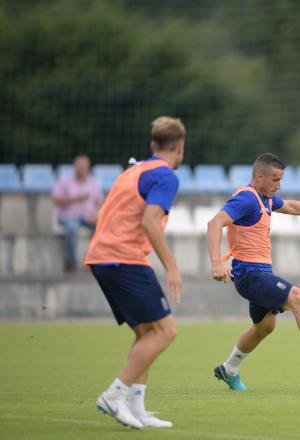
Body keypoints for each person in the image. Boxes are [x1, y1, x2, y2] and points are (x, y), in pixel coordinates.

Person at [206, 153, 300, 391]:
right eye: (275, 179)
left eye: (281, 180)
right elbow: (214, 223)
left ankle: (228, 369)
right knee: (298, 297)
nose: (279, 185)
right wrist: (216, 262)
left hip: (259, 272)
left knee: (265, 327)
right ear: (259, 176)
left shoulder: (265, 198)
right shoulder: (247, 198)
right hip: (249, 273)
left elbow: (291, 205)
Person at [85, 116, 186, 429]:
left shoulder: (134, 170)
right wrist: (171, 266)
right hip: (123, 258)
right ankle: (114, 395)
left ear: (153, 145)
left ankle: (136, 406)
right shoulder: (165, 176)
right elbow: (149, 222)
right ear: (180, 148)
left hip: (103, 257)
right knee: (166, 331)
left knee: (146, 333)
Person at [52, 154, 104, 271]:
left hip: (88, 217)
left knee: (102, 226)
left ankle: (90, 260)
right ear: (74, 167)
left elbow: (100, 201)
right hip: (68, 216)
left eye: (85, 167)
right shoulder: (64, 181)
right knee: (72, 229)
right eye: (80, 166)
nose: (82, 169)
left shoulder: (92, 182)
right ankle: (72, 264)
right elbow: (56, 200)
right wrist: (74, 199)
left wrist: (96, 213)